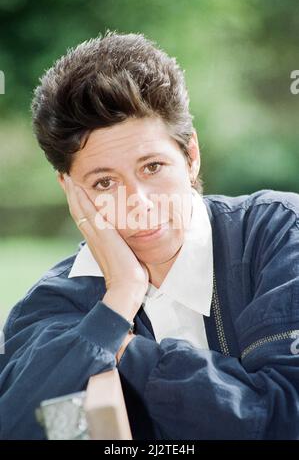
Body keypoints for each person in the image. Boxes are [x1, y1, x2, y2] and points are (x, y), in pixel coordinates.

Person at [1, 31, 299, 440]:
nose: (137, 202)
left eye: (152, 167)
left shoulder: (279, 234)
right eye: (104, 182)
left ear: (190, 155)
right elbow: (19, 428)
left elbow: (286, 415)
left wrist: (122, 348)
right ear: (71, 190)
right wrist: (119, 298)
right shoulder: (49, 307)